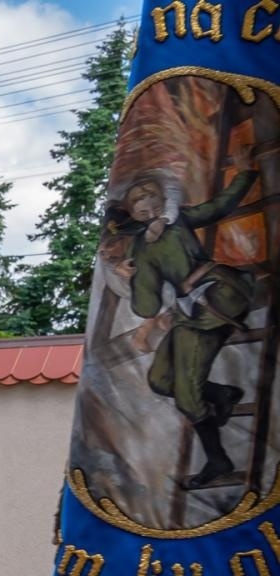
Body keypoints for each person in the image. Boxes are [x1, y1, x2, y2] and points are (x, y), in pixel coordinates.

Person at [111, 147, 260, 489]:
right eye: (142, 208)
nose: (151, 212)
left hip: (215, 302)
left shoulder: (180, 221)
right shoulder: (139, 248)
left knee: (188, 397)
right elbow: (146, 307)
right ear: (135, 213)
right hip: (188, 311)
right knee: (161, 380)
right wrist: (129, 275)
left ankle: (218, 460)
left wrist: (244, 174)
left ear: (163, 204)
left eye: (154, 205)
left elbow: (218, 206)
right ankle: (222, 395)